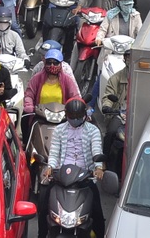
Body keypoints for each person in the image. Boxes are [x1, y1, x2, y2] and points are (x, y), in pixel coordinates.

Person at [39, 98, 105, 238]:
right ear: (66, 115)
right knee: (44, 205)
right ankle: (42, 234)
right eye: (71, 117)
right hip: (62, 175)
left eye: (77, 117)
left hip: (85, 177)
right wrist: (50, 167)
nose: (74, 120)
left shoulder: (93, 131)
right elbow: (54, 152)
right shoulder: (59, 130)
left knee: (97, 211)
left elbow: (97, 150)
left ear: (84, 115)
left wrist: (98, 168)